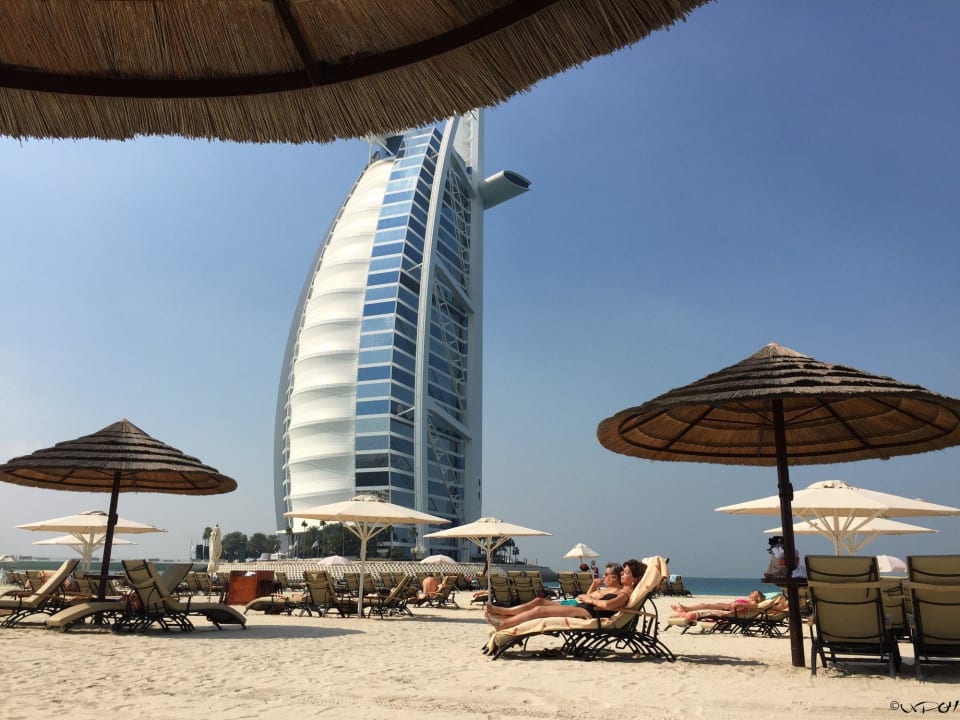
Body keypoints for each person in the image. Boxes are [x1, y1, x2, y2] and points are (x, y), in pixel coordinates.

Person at [484, 559, 645, 631]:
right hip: (583, 607)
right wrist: (590, 594)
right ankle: (504, 614)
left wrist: (589, 598)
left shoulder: (624, 593)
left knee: (540, 611)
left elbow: (608, 605)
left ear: (634, 579)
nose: (623, 575)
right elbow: (600, 601)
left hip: (585, 612)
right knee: (539, 603)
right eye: (623, 572)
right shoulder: (624, 590)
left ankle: (504, 624)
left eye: (626, 573)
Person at [670, 589, 765, 622]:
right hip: (728, 606)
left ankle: (686, 609)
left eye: (754, 593)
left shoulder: (753, 603)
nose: (751, 593)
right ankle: (685, 609)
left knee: (706, 605)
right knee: (705, 604)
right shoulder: (749, 600)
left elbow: (755, 607)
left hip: (728, 609)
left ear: (757, 597)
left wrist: (740, 604)